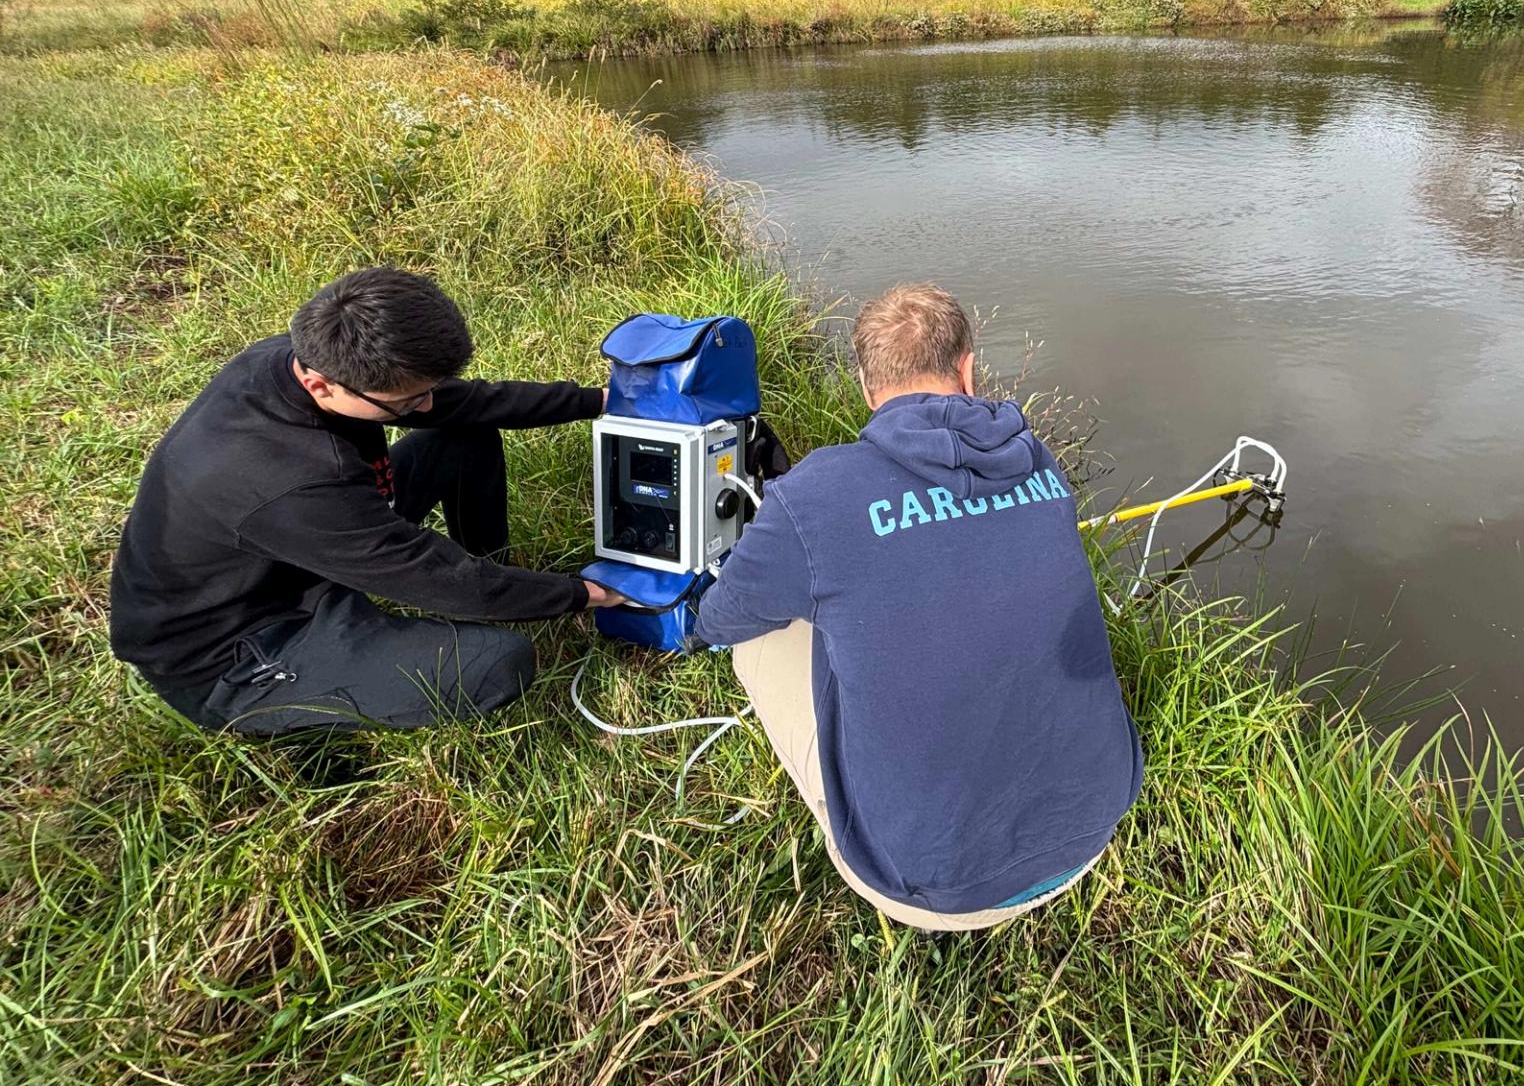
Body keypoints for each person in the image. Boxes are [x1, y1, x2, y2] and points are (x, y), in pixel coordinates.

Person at [694, 283, 1143, 930]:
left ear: (866, 385)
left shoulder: (816, 494)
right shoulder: (1037, 459)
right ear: (967, 366)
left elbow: (719, 619)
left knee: (756, 636)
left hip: (933, 888)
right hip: (1094, 825)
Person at [110, 266, 621, 735]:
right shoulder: (292, 480)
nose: (423, 407)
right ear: (321, 384)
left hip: (295, 557)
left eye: (427, 391)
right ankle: (287, 707)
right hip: (237, 652)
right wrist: (589, 593)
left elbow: (459, 405)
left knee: (465, 433)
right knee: (495, 661)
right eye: (405, 404)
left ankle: (495, 567)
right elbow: (430, 575)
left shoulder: (295, 358)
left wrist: (600, 401)